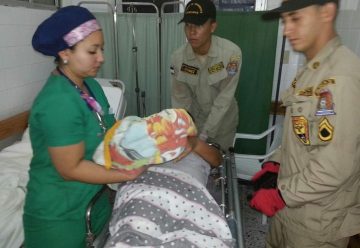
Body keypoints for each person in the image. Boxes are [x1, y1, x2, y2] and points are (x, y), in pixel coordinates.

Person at [23, 6, 147, 248]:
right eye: (92, 51)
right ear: (64, 53)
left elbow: (112, 132)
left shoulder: (91, 87)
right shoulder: (57, 101)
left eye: (101, 49)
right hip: (59, 218)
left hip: (94, 203)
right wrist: (125, 174)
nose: (101, 58)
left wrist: (148, 137)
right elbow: (70, 168)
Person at [249, 0, 360, 247]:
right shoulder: (310, 71)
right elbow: (300, 136)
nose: (287, 30)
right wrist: (275, 164)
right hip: (291, 209)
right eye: (285, 20)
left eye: (295, 18)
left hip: (317, 222)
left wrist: (280, 194)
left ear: (327, 12)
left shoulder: (339, 77)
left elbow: (334, 168)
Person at [170, 0, 242, 151]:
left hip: (223, 126)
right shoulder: (178, 59)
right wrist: (185, 131)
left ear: (213, 26)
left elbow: (224, 98)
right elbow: (180, 100)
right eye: (188, 25)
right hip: (195, 124)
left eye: (199, 24)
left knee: (218, 165)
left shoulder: (231, 54)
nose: (192, 31)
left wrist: (204, 135)